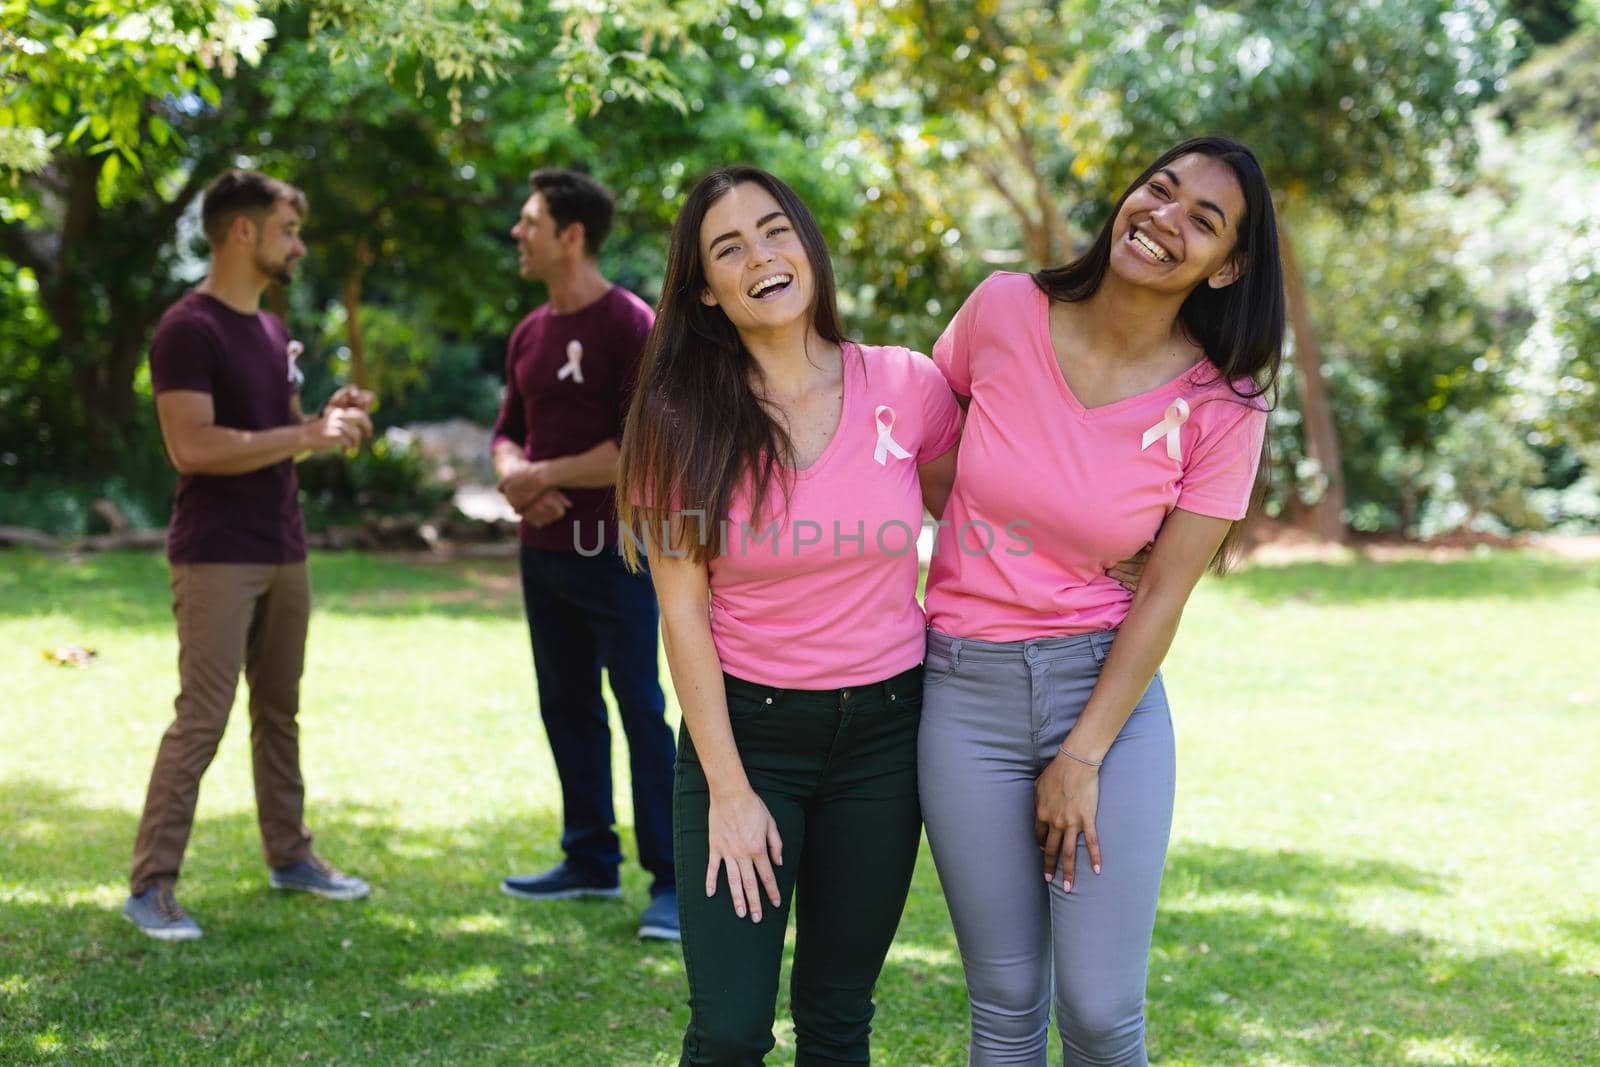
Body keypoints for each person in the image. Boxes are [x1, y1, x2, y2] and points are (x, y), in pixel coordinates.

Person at [916, 136, 1285, 1065]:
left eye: (1204, 219)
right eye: (1159, 191)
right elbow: (919, 437)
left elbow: (1166, 592)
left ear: (1228, 264)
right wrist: (999, 527)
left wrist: (1081, 754)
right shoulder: (1003, 308)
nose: (1165, 218)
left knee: (1099, 1007)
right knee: (1002, 999)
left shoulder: (1225, 403)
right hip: (964, 693)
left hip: (1106, 700)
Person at [616, 166, 962, 1064]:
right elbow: (681, 615)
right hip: (749, 739)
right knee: (729, 1028)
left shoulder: (906, 383)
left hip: (887, 739)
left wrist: (1123, 539)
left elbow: (980, 511)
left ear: (809, 244)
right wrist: (729, 793)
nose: (761, 256)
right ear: (705, 290)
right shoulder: (677, 417)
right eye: (729, 248)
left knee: (838, 1016)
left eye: (776, 230)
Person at [125, 169, 376, 941]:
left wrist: (323, 421)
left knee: (280, 710)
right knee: (203, 715)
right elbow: (191, 447)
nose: (298, 244)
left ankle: (290, 854)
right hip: (216, 553)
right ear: (244, 231)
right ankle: (151, 884)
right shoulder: (186, 328)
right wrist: (301, 435)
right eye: (289, 229)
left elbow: (279, 437)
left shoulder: (270, 330)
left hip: (283, 545)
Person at [492, 168, 680, 942]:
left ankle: (671, 879)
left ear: (572, 234)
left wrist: (545, 472)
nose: (518, 232)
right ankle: (588, 858)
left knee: (640, 707)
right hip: (543, 554)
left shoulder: (629, 323)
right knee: (565, 703)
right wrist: (513, 474)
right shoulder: (529, 333)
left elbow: (641, 445)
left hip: (618, 554)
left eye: (530, 220)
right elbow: (508, 427)